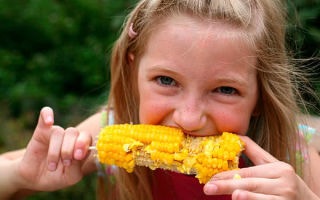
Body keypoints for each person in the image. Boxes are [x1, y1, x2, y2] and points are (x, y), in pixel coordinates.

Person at [1, 0, 320, 199]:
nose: (189, 117)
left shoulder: (289, 156)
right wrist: (20, 178)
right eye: (166, 81)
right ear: (133, 72)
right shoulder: (107, 130)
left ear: (261, 96)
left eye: (225, 90)